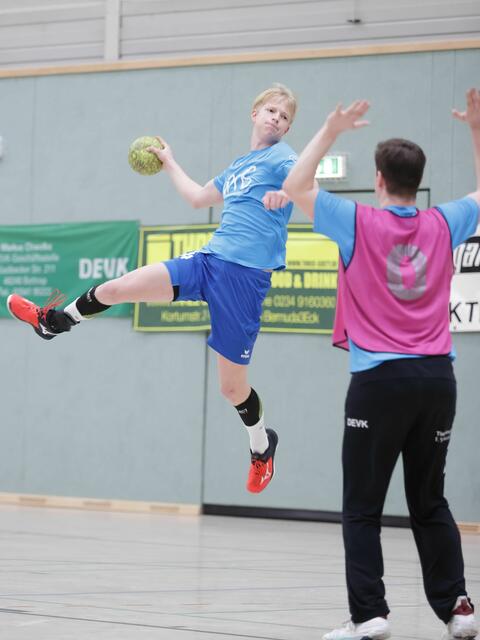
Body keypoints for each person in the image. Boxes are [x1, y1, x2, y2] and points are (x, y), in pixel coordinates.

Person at [8, 83, 299, 495]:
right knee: (119, 287)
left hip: (245, 281)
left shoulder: (283, 158)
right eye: (271, 110)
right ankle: (53, 322)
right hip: (208, 261)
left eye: (284, 117)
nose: (276, 119)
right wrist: (169, 162)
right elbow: (198, 198)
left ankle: (261, 445)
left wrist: (286, 192)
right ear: (255, 114)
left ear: (287, 128)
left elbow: (305, 178)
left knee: (231, 388)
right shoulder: (239, 166)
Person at [283, 88, 480, 640]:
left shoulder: (356, 221)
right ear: (417, 181)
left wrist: (329, 130)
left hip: (379, 381)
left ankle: (369, 614)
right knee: (430, 500)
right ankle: (458, 609)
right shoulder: (444, 222)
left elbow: (295, 185)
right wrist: (475, 130)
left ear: (377, 179)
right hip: (438, 381)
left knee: (363, 506)